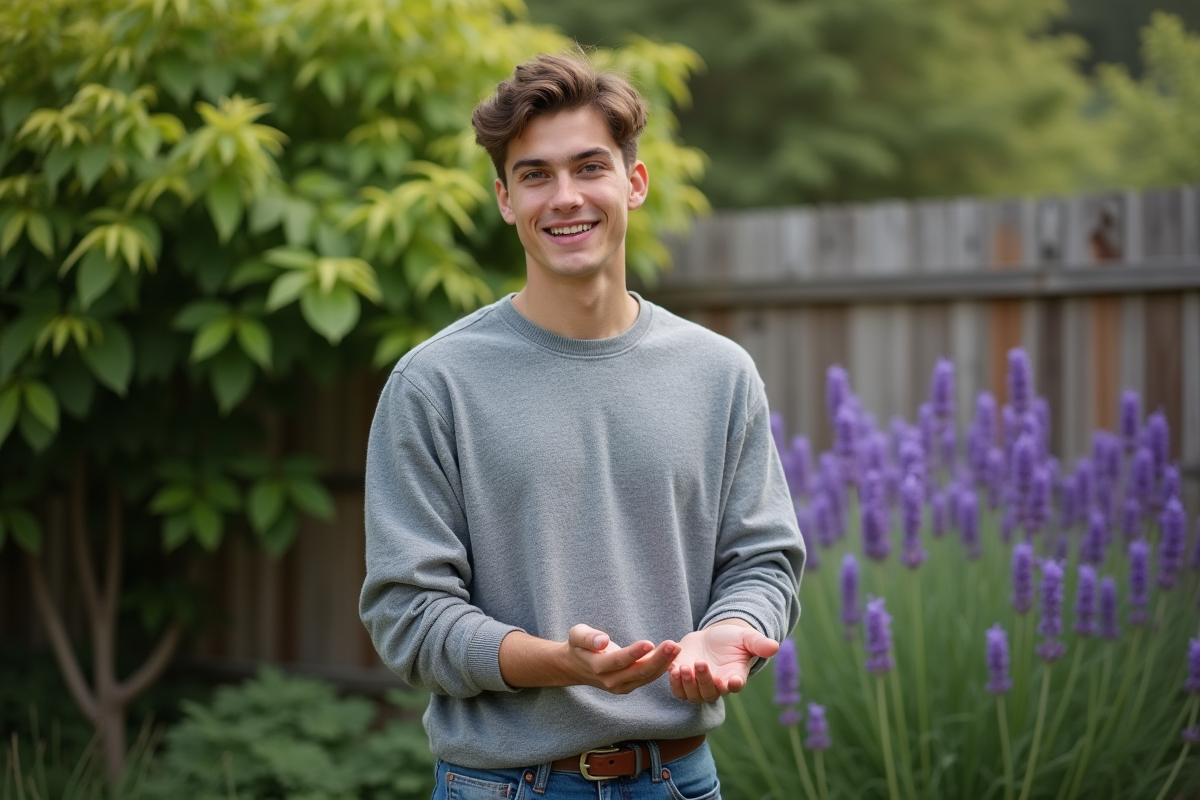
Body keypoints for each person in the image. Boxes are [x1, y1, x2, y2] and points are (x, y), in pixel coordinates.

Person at [360, 50, 804, 800]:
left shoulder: (719, 372)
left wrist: (731, 632)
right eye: (535, 175)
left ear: (633, 182)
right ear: (505, 199)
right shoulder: (435, 384)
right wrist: (552, 661)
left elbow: (763, 559)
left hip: (681, 782)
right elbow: (407, 613)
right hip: (500, 786)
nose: (565, 197)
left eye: (589, 167)